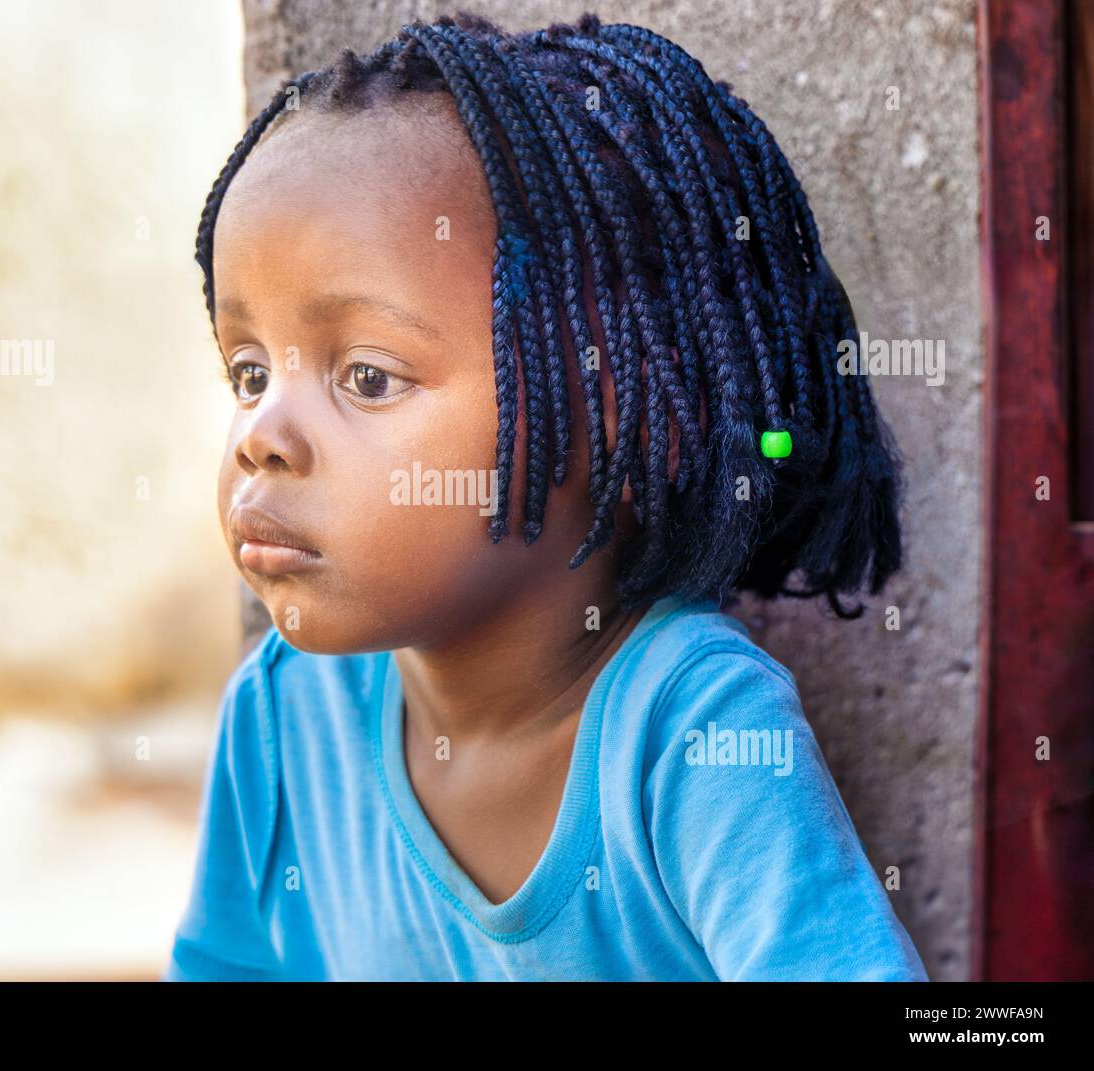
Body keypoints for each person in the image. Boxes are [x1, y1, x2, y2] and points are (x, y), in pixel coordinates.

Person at [162, 10, 927, 981]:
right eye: (247, 372)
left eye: (366, 377)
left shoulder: (690, 727)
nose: (260, 437)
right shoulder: (281, 715)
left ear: (623, 412)